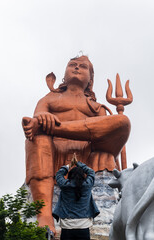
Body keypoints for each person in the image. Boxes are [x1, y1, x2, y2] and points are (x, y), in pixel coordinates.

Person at [22, 55, 131, 234]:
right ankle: (44, 215)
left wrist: (53, 127)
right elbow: (35, 124)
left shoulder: (96, 107)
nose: (77, 68)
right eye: (72, 65)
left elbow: (109, 132)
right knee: (37, 138)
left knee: (123, 122)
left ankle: (57, 129)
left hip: (87, 155)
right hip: (53, 152)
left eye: (83, 66)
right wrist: (42, 119)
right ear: (64, 74)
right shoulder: (49, 98)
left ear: (90, 79)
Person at [53, 154, 100, 240]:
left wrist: (69, 165)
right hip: (84, 226)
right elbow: (91, 172)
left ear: (70, 176)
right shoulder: (87, 185)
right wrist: (78, 163)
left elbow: (59, 174)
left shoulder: (64, 185)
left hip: (67, 227)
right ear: (83, 176)